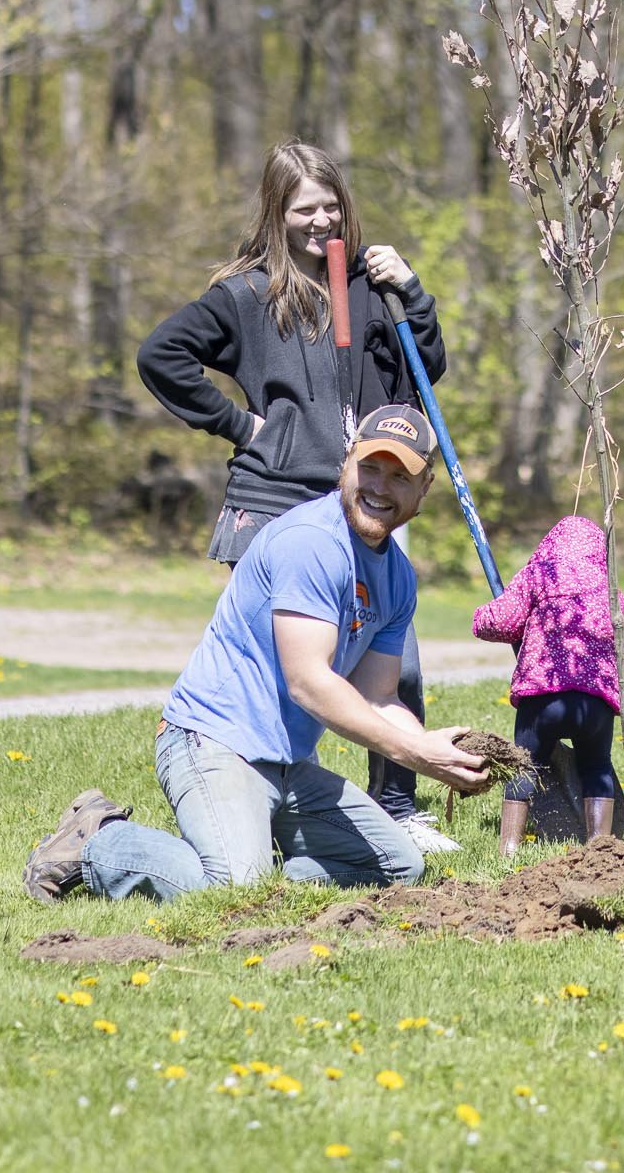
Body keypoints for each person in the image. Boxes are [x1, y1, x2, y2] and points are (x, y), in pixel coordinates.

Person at [23, 406, 490, 903]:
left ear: (425, 489)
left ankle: (261, 873)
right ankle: (100, 841)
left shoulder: (397, 575)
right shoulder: (310, 542)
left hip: (287, 764)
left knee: (400, 866)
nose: (379, 486)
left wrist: (435, 749)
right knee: (235, 891)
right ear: (346, 463)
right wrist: (415, 753)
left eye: (400, 477)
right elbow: (309, 682)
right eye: (369, 467)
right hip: (213, 742)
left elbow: (377, 695)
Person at [137, 139, 455, 850]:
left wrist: (412, 291)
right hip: (277, 499)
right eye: (304, 209)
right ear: (277, 213)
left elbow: (427, 370)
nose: (321, 221)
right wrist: (246, 426)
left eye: (331, 205)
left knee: (391, 660)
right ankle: (247, 805)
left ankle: (397, 807)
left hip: (364, 499)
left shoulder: (370, 286)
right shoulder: (250, 295)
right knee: (277, 675)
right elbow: (161, 355)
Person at [470, 515, 624, 855]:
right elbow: (620, 621)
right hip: (595, 701)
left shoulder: (539, 574)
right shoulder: (611, 589)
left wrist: (481, 617)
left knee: (525, 764)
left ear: (548, 547)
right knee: (597, 764)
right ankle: (600, 849)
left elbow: (502, 621)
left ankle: (509, 846)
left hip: (543, 697)